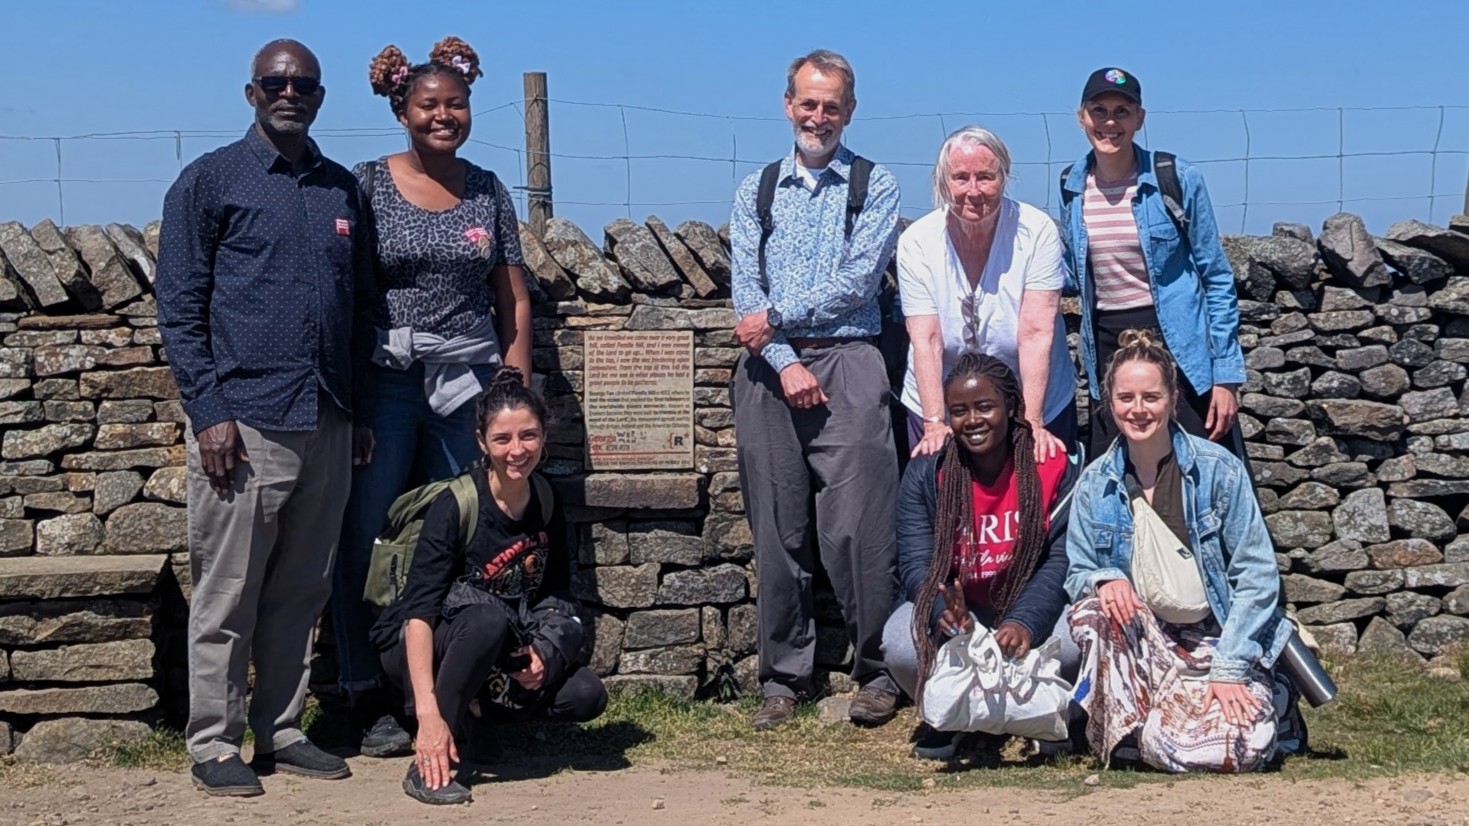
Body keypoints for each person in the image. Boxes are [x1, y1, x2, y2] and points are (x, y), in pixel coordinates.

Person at [157, 39, 375, 796]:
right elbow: (180, 308)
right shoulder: (209, 181)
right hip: (243, 423)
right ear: (252, 92)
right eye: (276, 82)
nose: (291, 92)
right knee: (227, 593)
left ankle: (281, 730)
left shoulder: (342, 190)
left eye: (304, 84)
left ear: (319, 96)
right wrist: (208, 411)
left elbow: (360, 313)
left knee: (301, 589)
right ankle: (214, 743)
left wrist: (360, 411)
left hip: (328, 417)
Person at [330, 36, 534, 757]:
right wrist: (350, 398)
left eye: (455, 103)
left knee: (463, 537)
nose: (443, 115)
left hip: (465, 385)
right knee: (370, 536)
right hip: (385, 382)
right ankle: (365, 692)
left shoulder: (488, 190)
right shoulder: (365, 184)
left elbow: (511, 297)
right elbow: (346, 293)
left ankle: (459, 693)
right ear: (401, 110)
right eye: (428, 104)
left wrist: (511, 385)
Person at [729, 48, 902, 731]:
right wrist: (780, 354)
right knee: (777, 527)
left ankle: (880, 669)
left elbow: (859, 282)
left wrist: (774, 317)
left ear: (849, 111)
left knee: (860, 528)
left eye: (832, 105)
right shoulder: (757, 190)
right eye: (808, 102)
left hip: (852, 360)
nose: (819, 116)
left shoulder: (874, 185)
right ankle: (782, 676)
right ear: (787, 105)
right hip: (769, 373)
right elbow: (746, 290)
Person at [1065, 330, 1297, 773]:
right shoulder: (1095, 484)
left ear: (1172, 399)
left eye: (1151, 397)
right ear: (1109, 403)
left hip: (1219, 637)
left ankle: (1264, 698)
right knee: (1090, 616)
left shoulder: (1218, 471)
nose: (1138, 410)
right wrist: (1103, 579)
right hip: (1149, 643)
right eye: (1126, 397)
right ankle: (1149, 725)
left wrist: (1229, 668)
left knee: (1237, 748)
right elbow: (1077, 569)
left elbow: (1257, 575)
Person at [373, 367, 605, 805]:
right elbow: (417, 615)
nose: (517, 451)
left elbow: (556, 595)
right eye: (503, 439)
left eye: (528, 436)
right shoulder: (455, 504)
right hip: (426, 644)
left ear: (543, 437)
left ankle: (474, 723)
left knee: (585, 695)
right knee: (484, 619)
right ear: (482, 442)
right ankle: (432, 759)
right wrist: (426, 715)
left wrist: (545, 654)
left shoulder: (547, 500)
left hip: (502, 646)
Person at [882, 352, 1079, 760]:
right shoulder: (927, 473)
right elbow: (916, 563)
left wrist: (1025, 620)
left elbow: (1062, 559)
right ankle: (956, 719)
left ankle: (1045, 716)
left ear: (1011, 407)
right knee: (900, 644)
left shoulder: (1052, 465)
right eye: (959, 411)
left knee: (1080, 639)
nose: (972, 420)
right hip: (964, 617)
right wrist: (943, 613)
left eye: (985, 406)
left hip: (1029, 610)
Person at [1059, 67, 1247, 462]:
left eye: (1122, 112)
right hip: (1107, 345)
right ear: (1082, 118)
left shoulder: (1175, 178)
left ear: (1140, 119)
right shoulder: (1070, 186)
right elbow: (1070, 274)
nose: (1110, 122)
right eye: (1099, 110)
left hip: (1179, 343)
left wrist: (1226, 376)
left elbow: (1215, 276)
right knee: (1117, 478)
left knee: (1201, 471)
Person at [898, 127, 1077, 461]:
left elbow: (1036, 333)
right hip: (945, 401)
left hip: (1035, 396)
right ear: (942, 182)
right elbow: (928, 339)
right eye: (960, 178)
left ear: (1004, 177)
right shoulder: (916, 242)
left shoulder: (1038, 231)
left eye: (986, 177)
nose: (973, 190)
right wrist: (935, 421)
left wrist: (1032, 422)